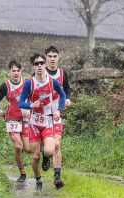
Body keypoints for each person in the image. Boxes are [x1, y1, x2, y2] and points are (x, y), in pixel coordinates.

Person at [19, 54, 66, 191]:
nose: (39, 66)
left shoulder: (52, 82)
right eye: (36, 63)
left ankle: (47, 156)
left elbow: (62, 95)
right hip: (34, 123)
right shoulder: (29, 83)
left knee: (50, 151)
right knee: (35, 156)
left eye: (41, 63)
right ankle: (38, 180)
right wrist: (31, 106)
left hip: (48, 121)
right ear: (33, 66)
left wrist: (59, 110)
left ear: (45, 65)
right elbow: (21, 102)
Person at [0, 60, 31, 182]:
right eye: (13, 71)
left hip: (25, 117)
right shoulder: (5, 86)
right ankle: (22, 173)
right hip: (11, 118)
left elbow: (33, 98)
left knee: (28, 148)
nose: (16, 73)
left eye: (18, 71)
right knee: (18, 146)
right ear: (9, 72)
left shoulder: (27, 83)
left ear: (21, 72)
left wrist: (30, 108)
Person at [41, 46, 71, 177]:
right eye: (49, 56)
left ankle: (57, 177)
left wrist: (68, 99)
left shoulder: (63, 74)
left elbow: (67, 90)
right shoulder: (40, 72)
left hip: (57, 113)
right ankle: (45, 154)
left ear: (58, 58)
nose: (52, 59)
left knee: (57, 143)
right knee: (47, 147)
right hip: (41, 115)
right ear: (46, 58)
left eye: (55, 56)